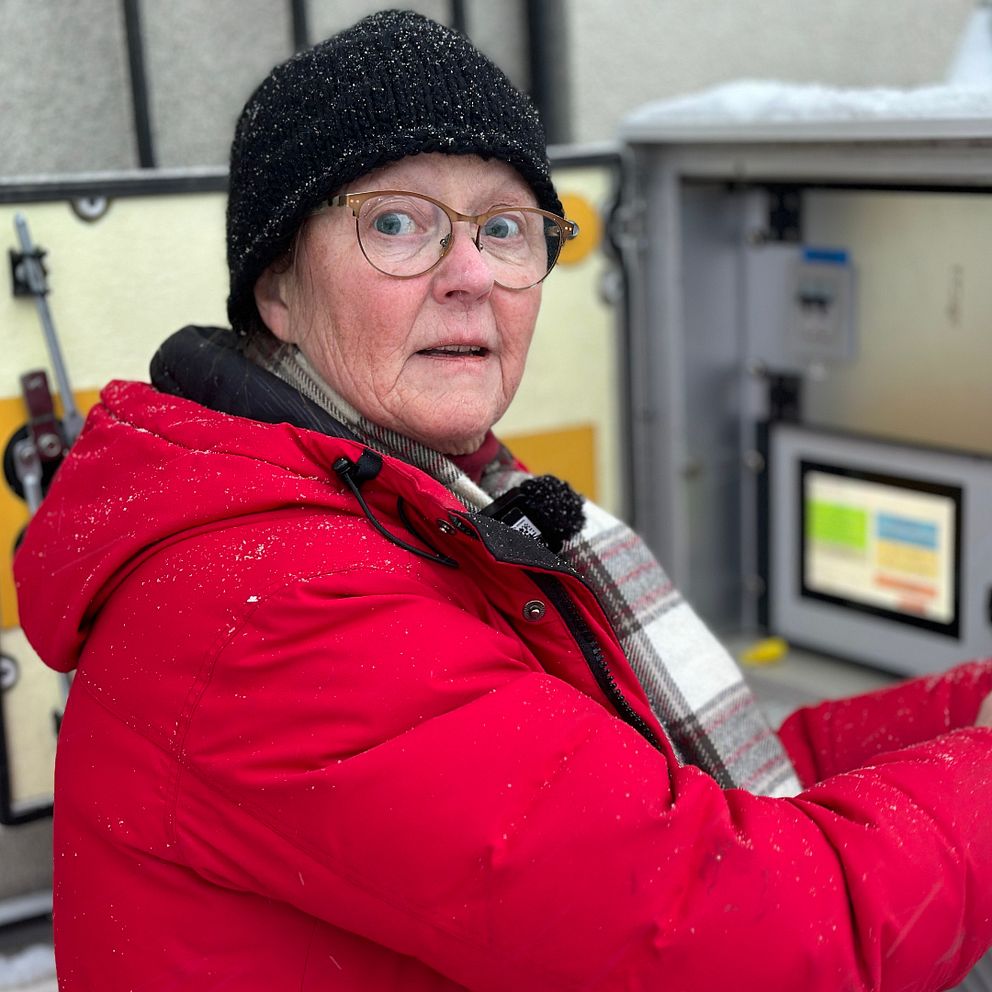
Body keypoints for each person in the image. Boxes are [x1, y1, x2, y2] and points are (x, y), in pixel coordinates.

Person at [14, 10, 992, 991]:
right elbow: (756, 935)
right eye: (396, 222)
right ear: (277, 289)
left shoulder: (425, 508)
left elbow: (689, 788)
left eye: (504, 227)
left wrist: (968, 708)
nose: (471, 275)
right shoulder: (275, 605)